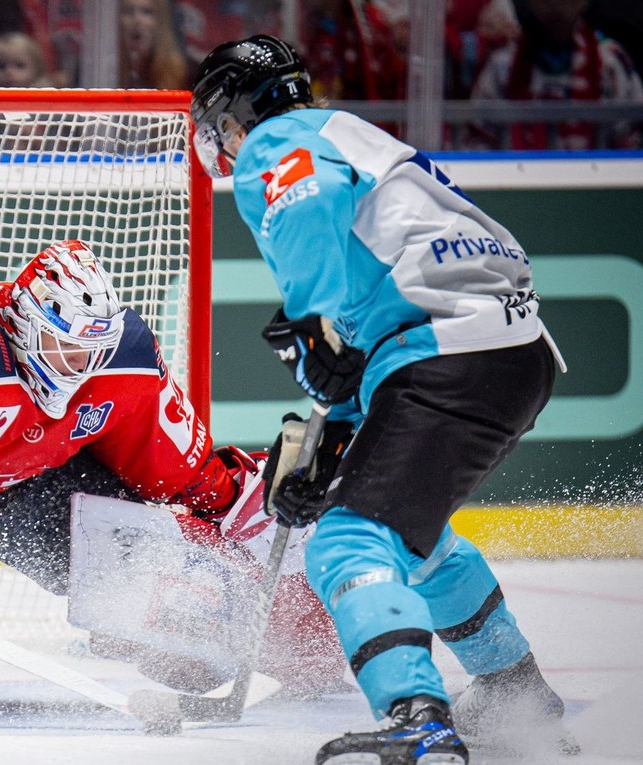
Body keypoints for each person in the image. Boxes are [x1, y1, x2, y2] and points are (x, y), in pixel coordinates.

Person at [190, 34, 575, 765]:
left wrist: (307, 321)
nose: (223, 146)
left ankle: (418, 718)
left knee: (346, 541)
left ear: (233, 115)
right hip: (509, 354)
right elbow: (383, 322)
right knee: (414, 538)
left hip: (447, 353)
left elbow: (308, 202)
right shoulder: (350, 134)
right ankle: (514, 692)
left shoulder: (276, 142)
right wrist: (332, 435)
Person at [0, 238, 343, 694]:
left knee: (192, 631)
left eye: (94, 353)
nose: (83, 370)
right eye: (67, 350)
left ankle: (300, 641)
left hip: (39, 489)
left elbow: (177, 466)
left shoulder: (123, 357)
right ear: (25, 327)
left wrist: (239, 512)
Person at [467, 0, 643, 149]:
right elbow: (478, 139)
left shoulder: (609, 61)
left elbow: (630, 140)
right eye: (547, 2)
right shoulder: (504, 63)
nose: (556, 10)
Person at [117, 0, 192, 90]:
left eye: (146, 12)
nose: (137, 20)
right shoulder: (111, 71)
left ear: (161, 21)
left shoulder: (186, 74)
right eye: (129, 11)